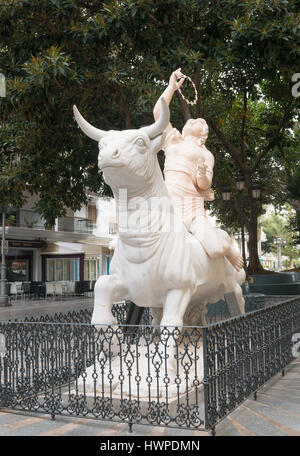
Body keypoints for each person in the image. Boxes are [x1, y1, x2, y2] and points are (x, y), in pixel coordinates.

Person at [153, 68, 243, 271]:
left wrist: (201, 174)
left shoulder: (205, 154)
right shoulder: (173, 141)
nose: (193, 120)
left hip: (192, 210)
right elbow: (159, 113)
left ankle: (227, 245)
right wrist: (170, 88)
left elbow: (205, 184)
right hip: (167, 207)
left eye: (199, 122)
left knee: (216, 250)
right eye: (192, 120)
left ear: (203, 134)